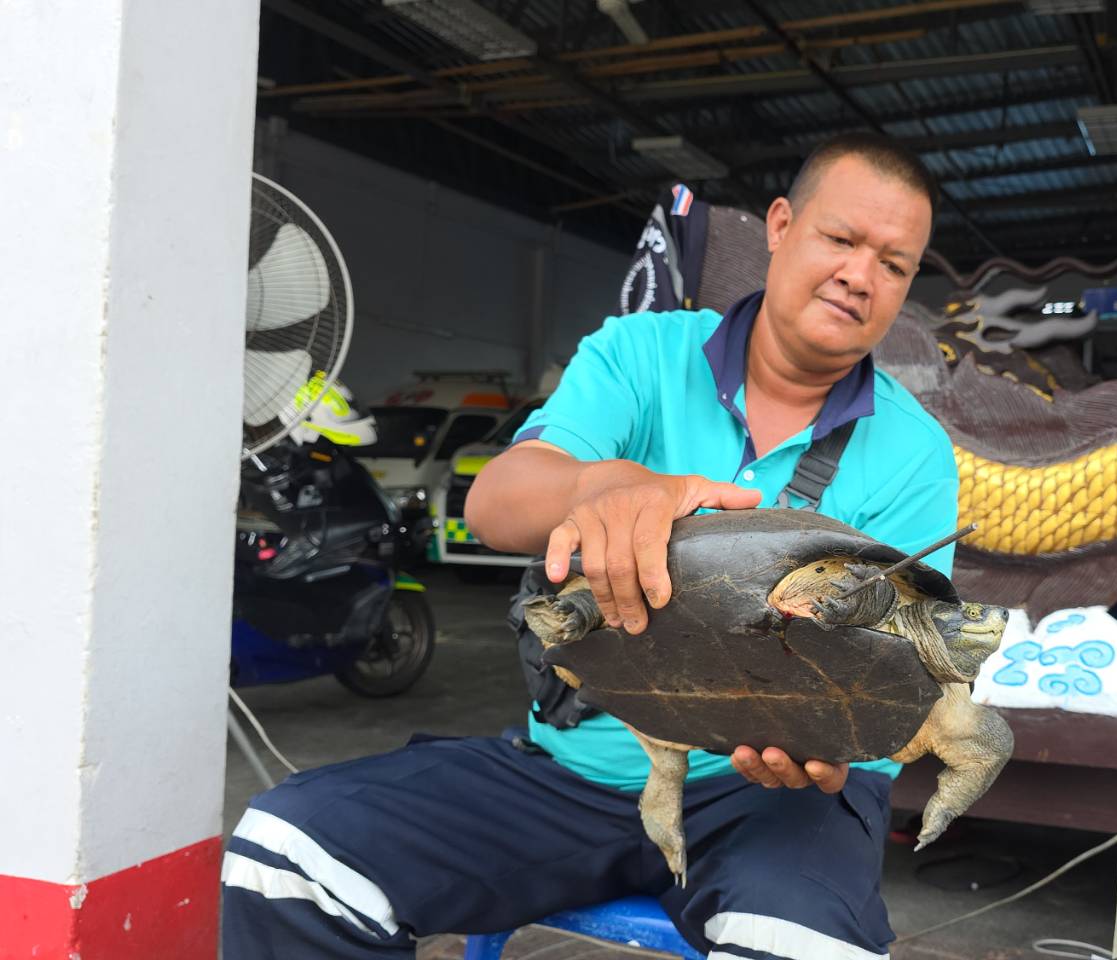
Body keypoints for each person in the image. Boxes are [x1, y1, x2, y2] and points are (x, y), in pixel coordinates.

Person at [220, 133, 961, 959]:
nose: (860, 275)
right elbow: (496, 502)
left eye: (893, 264)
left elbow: (903, 664)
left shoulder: (914, 453)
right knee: (289, 853)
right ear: (781, 226)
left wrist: (845, 733)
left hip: (776, 799)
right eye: (841, 238)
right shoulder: (641, 355)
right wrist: (600, 488)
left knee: (798, 943)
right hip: (572, 773)